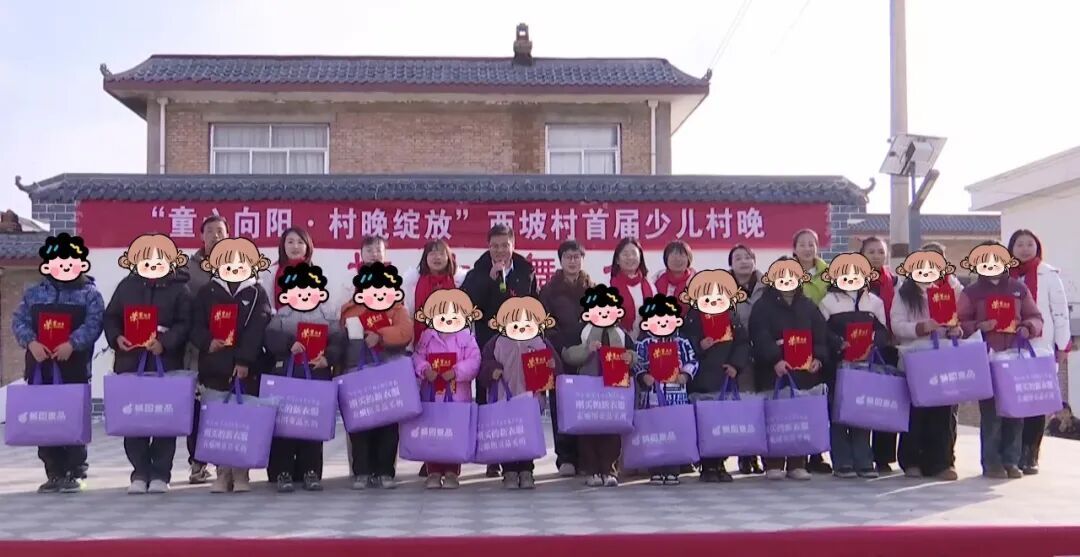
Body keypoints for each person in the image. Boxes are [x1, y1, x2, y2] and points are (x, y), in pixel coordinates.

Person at [13, 233, 104, 494]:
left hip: (73, 367)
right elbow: (18, 321)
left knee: (71, 418)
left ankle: (75, 471)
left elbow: (95, 323)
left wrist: (72, 344)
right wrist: (31, 342)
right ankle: (53, 472)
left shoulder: (89, 294)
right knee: (44, 420)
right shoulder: (34, 293)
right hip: (40, 367)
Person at [104, 234, 193, 494]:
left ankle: (161, 474)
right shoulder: (126, 286)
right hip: (131, 360)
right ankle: (139, 473)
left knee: (164, 418)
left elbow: (185, 323)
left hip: (165, 361)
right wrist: (116, 337)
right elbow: (111, 317)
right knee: (134, 418)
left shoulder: (180, 289)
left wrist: (165, 342)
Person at [188, 237, 273, 493]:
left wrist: (245, 360)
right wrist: (207, 341)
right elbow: (195, 325)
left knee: (242, 420)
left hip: (246, 369)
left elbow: (258, 329)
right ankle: (222, 472)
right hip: (213, 366)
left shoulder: (257, 293)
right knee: (217, 421)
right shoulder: (207, 292)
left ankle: (241, 473)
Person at [958, 242, 1043, 480]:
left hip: (1014, 358)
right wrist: (978, 326)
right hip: (986, 359)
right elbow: (959, 322)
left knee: (1015, 413)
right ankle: (992, 463)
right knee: (992, 414)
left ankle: (1011, 461)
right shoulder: (972, 292)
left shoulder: (1018, 289)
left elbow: (1036, 317)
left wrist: (1027, 328)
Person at [461, 225, 537, 478]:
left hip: (519, 344)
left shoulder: (526, 271)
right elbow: (468, 306)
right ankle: (493, 454)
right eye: (495, 246)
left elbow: (534, 304)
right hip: (489, 344)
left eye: (505, 245)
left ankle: (522, 456)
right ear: (488, 247)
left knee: (519, 396)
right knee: (489, 396)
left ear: (513, 245)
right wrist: (489, 279)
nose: (500, 250)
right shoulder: (478, 273)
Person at [263, 262, 345, 493]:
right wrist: (289, 344)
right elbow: (269, 338)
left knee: (312, 423)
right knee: (284, 424)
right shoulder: (281, 315)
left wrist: (328, 357)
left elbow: (339, 340)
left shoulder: (327, 315)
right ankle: (283, 472)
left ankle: (311, 471)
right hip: (287, 374)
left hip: (316, 373)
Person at [749, 258, 829, 481]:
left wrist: (818, 358)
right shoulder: (763, 306)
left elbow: (821, 335)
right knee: (775, 416)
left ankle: (797, 462)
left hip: (803, 371)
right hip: (773, 371)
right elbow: (759, 335)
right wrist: (774, 359)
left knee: (799, 415)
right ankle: (773, 462)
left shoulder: (808, 305)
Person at [340, 261, 414, 489]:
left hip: (387, 375)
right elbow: (339, 340)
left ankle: (385, 471)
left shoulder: (397, 308)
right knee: (360, 426)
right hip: (357, 373)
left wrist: (380, 335)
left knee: (388, 426)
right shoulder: (350, 310)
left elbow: (405, 332)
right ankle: (362, 471)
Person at [892, 249, 962, 481]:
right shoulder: (903, 293)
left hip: (942, 358)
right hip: (916, 359)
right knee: (917, 411)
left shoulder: (948, 291)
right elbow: (897, 325)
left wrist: (955, 330)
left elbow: (959, 318)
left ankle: (942, 462)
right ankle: (912, 461)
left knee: (943, 413)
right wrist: (922, 327)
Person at [818, 253, 889, 479]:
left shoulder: (874, 302)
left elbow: (883, 331)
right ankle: (842, 462)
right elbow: (821, 332)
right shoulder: (828, 301)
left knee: (862, 412)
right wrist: (838, 343)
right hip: (837, 365)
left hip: (865, 365)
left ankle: (864, 460)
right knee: (838, 412)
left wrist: (873, 344)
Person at [479, 296, 561, 490]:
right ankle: (508, 471)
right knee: (507, 435)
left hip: (531, 398)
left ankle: (526, 470)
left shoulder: (540, 342)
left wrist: (551, 366)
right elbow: (482, 367)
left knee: (527, 434)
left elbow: (557, 368)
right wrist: (492, 370)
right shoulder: (496, 343)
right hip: (504, 397)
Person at [1008, 229, 1072, 475]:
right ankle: (1012, 454)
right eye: (1020, 244)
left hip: (1041, 346)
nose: (1025, 249)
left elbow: (1060, 313)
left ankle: (1030, 454)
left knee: (1036, 402)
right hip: (1011, 347)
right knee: (1015, 401)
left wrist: (1062, 345)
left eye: (1030, 244)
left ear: (1037, 247)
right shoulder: (1004, 275)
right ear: (1011, 249)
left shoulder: (1048, 274)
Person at [561, 284, 637, 487]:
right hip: (589, 388)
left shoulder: (620, 333)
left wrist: (630, 357)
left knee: (612, 431)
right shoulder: (583, 331)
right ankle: (592, 471)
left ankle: (609, 470)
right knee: (589, 431)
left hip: (615, 388)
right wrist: (587, 350)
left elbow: (633, 353)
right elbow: (568, 354)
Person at [681, 270, 750, 483]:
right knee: (705, 422)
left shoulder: (730, 314)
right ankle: (707, 465)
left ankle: (721, 462)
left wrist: (736, 365)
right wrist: (699, 345)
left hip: (725, 376)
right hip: (701, 377)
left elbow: (742, 342)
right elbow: (683, 342)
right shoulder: (693, 315)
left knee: (724, 421)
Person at [411, 288, 483, 489]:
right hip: (432, 395)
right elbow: (417, 357)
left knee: (454, 432)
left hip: (457, 396)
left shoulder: (466, 338)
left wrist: (457, 371)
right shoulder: (427, 336)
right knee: (433, 432)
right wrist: (425, 369)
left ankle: (452, 472)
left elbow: (475, 360)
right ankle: (433, 471)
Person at [538, 240, 593, 478]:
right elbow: (545, 323)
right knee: (560, 404)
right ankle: (566, 457)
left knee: (584, 404)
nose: (573, 261)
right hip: (559, 354)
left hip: (587, 356)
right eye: (568, 257)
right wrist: (559, 347)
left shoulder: (592, 288)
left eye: (576, 257)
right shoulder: (549, 290)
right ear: (560, 260)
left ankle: (585, 456)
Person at [634, 294, 699, 486]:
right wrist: (643, 376)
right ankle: (655, 469)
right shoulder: (643, 342)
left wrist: (685, 375)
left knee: (674, 431)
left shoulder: (682, 341)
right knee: (654, 431)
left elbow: (693, 360)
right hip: (652, 394)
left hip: (677, 395)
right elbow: (637, 363)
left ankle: (673, 470)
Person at [182, 215, 228, 485]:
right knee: (198, 407)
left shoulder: (238, 265)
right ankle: (197, 463)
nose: (215, 236)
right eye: (210, 231)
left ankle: (225, 462)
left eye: (220, 231)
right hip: (198, 349)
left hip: (228, 350)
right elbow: (184, 312)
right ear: (201, 236)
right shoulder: (189, 269)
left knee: (223, 405)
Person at [859, 236, 901, 473]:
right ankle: (861, 455)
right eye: (871, 251)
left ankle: (883, 457)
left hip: (887, 348)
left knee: (885, 402)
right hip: (858, 349)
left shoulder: (893, 282)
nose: (876, 256)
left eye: (880, 251)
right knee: (861, 402)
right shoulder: (850, 279)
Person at [792, 229, 832, 474]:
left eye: (811, 244)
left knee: (818, 398)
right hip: (793, 341)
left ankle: (816, 453)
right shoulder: (787, 272)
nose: (807, 249)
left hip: (822, 337)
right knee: (797, 398)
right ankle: (797, 452)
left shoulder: (829, 274)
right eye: (802, 244)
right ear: (794, 248)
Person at [728, 244, 766, 475]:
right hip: (739, 355)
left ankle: (765, 455)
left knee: (765, 404)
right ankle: (746, 455)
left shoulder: (767, 286)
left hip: (766, 354)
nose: (743, 262)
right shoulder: (724, 289)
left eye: (747, 257)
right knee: (744, 406)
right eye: (738, 258)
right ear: (731, 264)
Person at [403, 239, 468, 344]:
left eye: (442, 254)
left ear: (448, 257)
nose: (437, 257)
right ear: (425, 258)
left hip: (454, 342)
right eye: (432, 253)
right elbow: (409, 316)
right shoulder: (413, 283)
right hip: (422, 342)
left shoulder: (460, 282)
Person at [610, 237, 653, 338]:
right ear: (617, 260)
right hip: (619, 342)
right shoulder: (609, 286)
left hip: (647, 341)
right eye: (625, 254)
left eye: (634, 253)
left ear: (640, 257)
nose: (630, 257)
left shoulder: (650, 286)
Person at [263, 227, 315, 311]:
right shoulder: (271, 273)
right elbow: (266, 306)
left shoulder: (316, 274)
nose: (295, 246)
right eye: (290, 242)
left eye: (300, 242)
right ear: (283, 245)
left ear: (307, 247)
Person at [654, 240, 695, 314]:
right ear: (666, 259)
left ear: (688, 259)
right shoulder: (656, 279)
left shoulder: (696, 282)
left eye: (681, 255)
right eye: (673, 256)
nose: (677, 259)